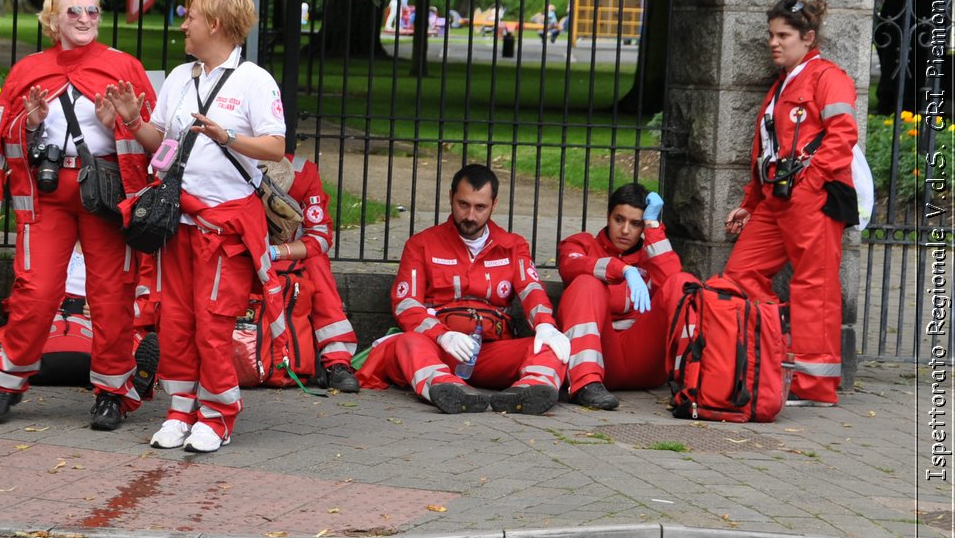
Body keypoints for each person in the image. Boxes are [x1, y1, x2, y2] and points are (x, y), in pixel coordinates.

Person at [0, 0, 159, 430]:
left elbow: (158, 138)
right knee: (35, 291)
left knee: (111, 296)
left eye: (93, 11)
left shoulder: (124, 66)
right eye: (74, 12)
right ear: (53, 20)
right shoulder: (28, 70)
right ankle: (6, 380)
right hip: (48, 196)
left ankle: (113, 391)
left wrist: (119, 124)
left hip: (108, 196)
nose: (85, 19)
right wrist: (31, 124)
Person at [109, 0, 287, 453]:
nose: (183, 24)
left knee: (212, 321)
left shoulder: (255, 80)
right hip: (177, 223)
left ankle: (218, 414)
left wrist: (227, 137)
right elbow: (163, 146)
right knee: (175, 320)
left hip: (223, 228)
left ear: (214, 24)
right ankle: (179, 409)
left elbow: (274, 147)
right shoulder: (178, 77)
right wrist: (132, 120)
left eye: (190, 16)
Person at [723, 0, 858, 405]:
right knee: (739, 274)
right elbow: (766, 149)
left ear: (808, 37)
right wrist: (750, 202)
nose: (773, 43)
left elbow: (843, 136)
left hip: (811, 200)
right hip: (775, 202)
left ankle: (816, 388)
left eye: (783, 35)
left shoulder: (828, 78)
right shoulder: (783, 83)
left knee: (814, 288)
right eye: (771, 35)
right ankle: (780, 341)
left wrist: (809, 185)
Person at [357, 164, 570, 413]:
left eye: (480, 207)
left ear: (494, 204)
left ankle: (530, 391)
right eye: (463, 204)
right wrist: (442, 335)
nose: (470, 216)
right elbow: (407, 305)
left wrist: (545, 324)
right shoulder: (421, 244)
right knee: (409, 341)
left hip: (490, 350)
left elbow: (531, 288)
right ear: (450, 197)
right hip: (437, 348)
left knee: (550, 346)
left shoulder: (512, 246)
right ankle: (446, 388)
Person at [0, 248, 160, 399]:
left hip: (98, 319)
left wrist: (112, 308)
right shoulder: (49, 242)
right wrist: (39, 306)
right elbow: (15, 300)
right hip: (52, 318)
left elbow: (150, 302)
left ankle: (134, 375)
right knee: (13, 340)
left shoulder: (132, 246)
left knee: (118, 343)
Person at [556, 183, 699, 409]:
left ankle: (692, 386)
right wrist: (620, 269)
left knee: (684, 283)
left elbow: (675, 285)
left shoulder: (649, 254)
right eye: (619, 220)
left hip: (643, 358)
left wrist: (653, 227)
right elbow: (570, 266)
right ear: (607, 216)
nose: (625, 231)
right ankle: (584, 384)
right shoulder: (581, 243)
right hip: (600, 356)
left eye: (636, 224)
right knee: (586, 281)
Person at [265, 152, 361, 393]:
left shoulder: (303, 171)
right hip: (238, 253)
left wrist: (276, 252)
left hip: (288, 257)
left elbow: (320, 237)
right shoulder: (225, 161)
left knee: (317, 263)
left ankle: (337, 361)